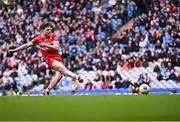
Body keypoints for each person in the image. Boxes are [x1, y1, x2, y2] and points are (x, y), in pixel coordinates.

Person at [9, 22, 83, 96]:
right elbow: (27, 45)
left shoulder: (53, 36)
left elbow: (56, 47)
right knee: (62, 68)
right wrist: (15, 50)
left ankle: (47, 91)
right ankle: (77, 77)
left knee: (59, 75)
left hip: (57, 57)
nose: (49, 31)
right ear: (43, 30)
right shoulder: (38, 39)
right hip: (49, 58)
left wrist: (46, 45)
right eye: (47, 30)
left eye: (50, 30)